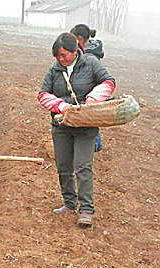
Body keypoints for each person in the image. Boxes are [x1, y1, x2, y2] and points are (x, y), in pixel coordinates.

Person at [37, 32, 115, 227]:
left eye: (64, 55)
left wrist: (92, 100)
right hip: (61, 125)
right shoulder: (54, 69)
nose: (60, 59)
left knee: (83, 167)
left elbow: (109, 82)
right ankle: (69, 203)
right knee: (63, 167)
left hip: (85, 127)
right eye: (57, 56)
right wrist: (62, 106)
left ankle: (86, 210)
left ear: (75, 51)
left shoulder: (91, 64)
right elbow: (43, 94)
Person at [70, 24, 105, 152]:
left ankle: (95, 146)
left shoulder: (89, 56)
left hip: (89, 91)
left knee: (88, 119)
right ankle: (96, 145)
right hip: (89, 89)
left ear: (79, 38)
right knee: (89, 119)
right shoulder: (92, 51)